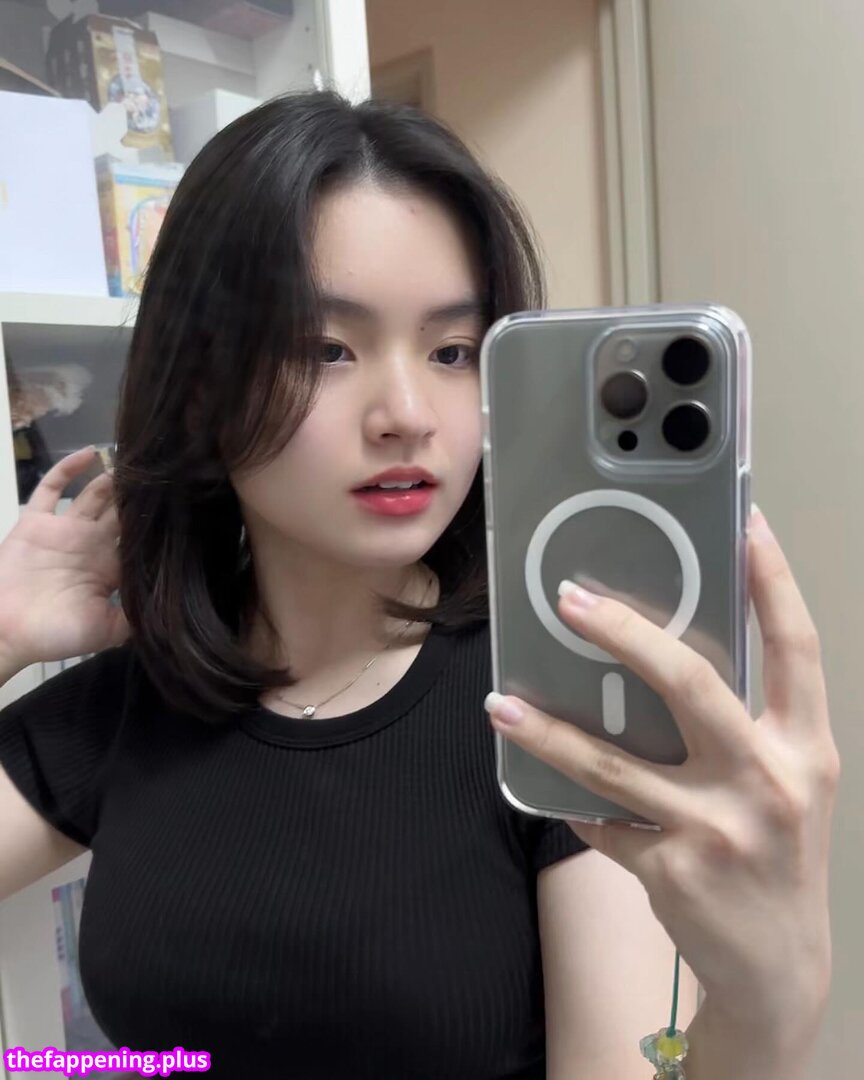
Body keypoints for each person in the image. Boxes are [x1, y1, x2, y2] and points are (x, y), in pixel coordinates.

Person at [0, 91, 838, 1080]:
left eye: (452, 352)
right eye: (326, 349)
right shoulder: (133, 702)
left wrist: (767, 1010)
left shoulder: (550, 718)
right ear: (197, 387)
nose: (407, 413)